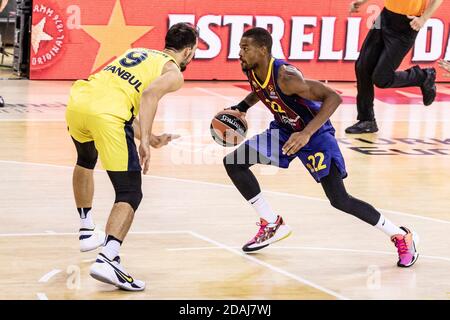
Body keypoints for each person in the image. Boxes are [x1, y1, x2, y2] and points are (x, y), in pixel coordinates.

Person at [223, 27, 419, 268]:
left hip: (314, 135)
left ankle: (400, 235)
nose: (239, 53)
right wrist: (242, 106)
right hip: (284, 130)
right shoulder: (252, 68)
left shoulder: (287, 76)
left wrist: (306, 133)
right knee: (234, 162)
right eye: (240, 48)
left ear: (262, 50)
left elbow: (333, 97)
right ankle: (271, 222)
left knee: (339, 199)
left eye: (245, 48)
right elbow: (260, 90)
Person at [65, 22, 198, 291]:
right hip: (107, 114)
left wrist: (149, 136)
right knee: (130, 192)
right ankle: (108, 258)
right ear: (187, 51)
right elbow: (148, 96)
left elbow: (117, 98)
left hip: (79, 101)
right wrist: (145, 142)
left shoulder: (137, 52)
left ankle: (87, 229)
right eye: (193, 52)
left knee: (85, 159)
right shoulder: (173, 72)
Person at [345, 0, 443, 134]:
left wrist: (424, 18)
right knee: (362, 66)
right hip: (385, 16)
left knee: (381, 78)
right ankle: (367, 120)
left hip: (407, 23)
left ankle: (423, 76)